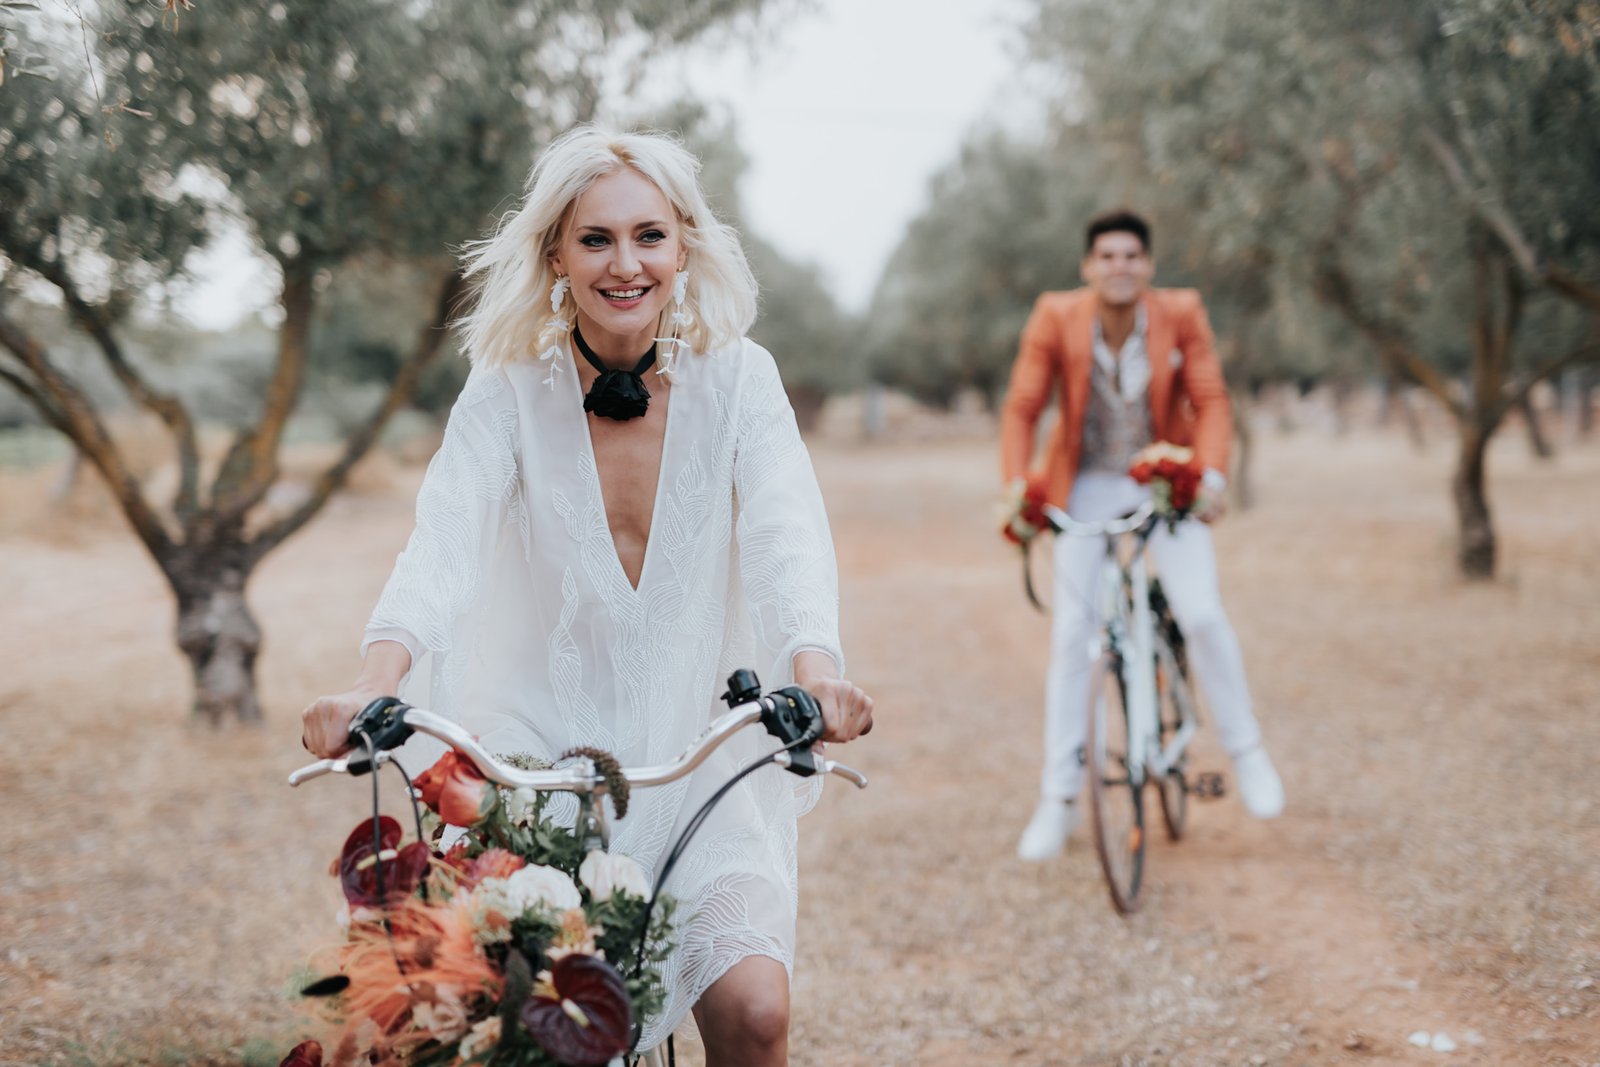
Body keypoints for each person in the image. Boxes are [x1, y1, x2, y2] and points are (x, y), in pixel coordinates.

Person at [300, 126, 873, 1066]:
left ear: (683, 244)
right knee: (511, 1032)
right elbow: (442, 539)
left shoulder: (742, 380)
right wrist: (374, 678)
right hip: (536, 761)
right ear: (556, 253)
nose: (626, 263)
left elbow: (786, 538)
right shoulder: (506, 390)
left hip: (700, 762)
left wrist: (817, 673)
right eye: (596, 238)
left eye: (649, 235)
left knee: (757, 1012)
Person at [999, 209, 1282, 862]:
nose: (1119, 266)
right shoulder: (1054, 316)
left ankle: (1247, 752)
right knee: (1074, 632)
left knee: (1203, 613)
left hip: (1163, 474)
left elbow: (1211, 401)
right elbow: (1022, 407)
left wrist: (1210, 476)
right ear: (1087, 266)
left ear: (1147, 266)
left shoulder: (1181, 312)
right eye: (1107, 256)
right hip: (1088, 483)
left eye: (1131, 256)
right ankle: (1059, 796)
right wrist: (1020, 488)